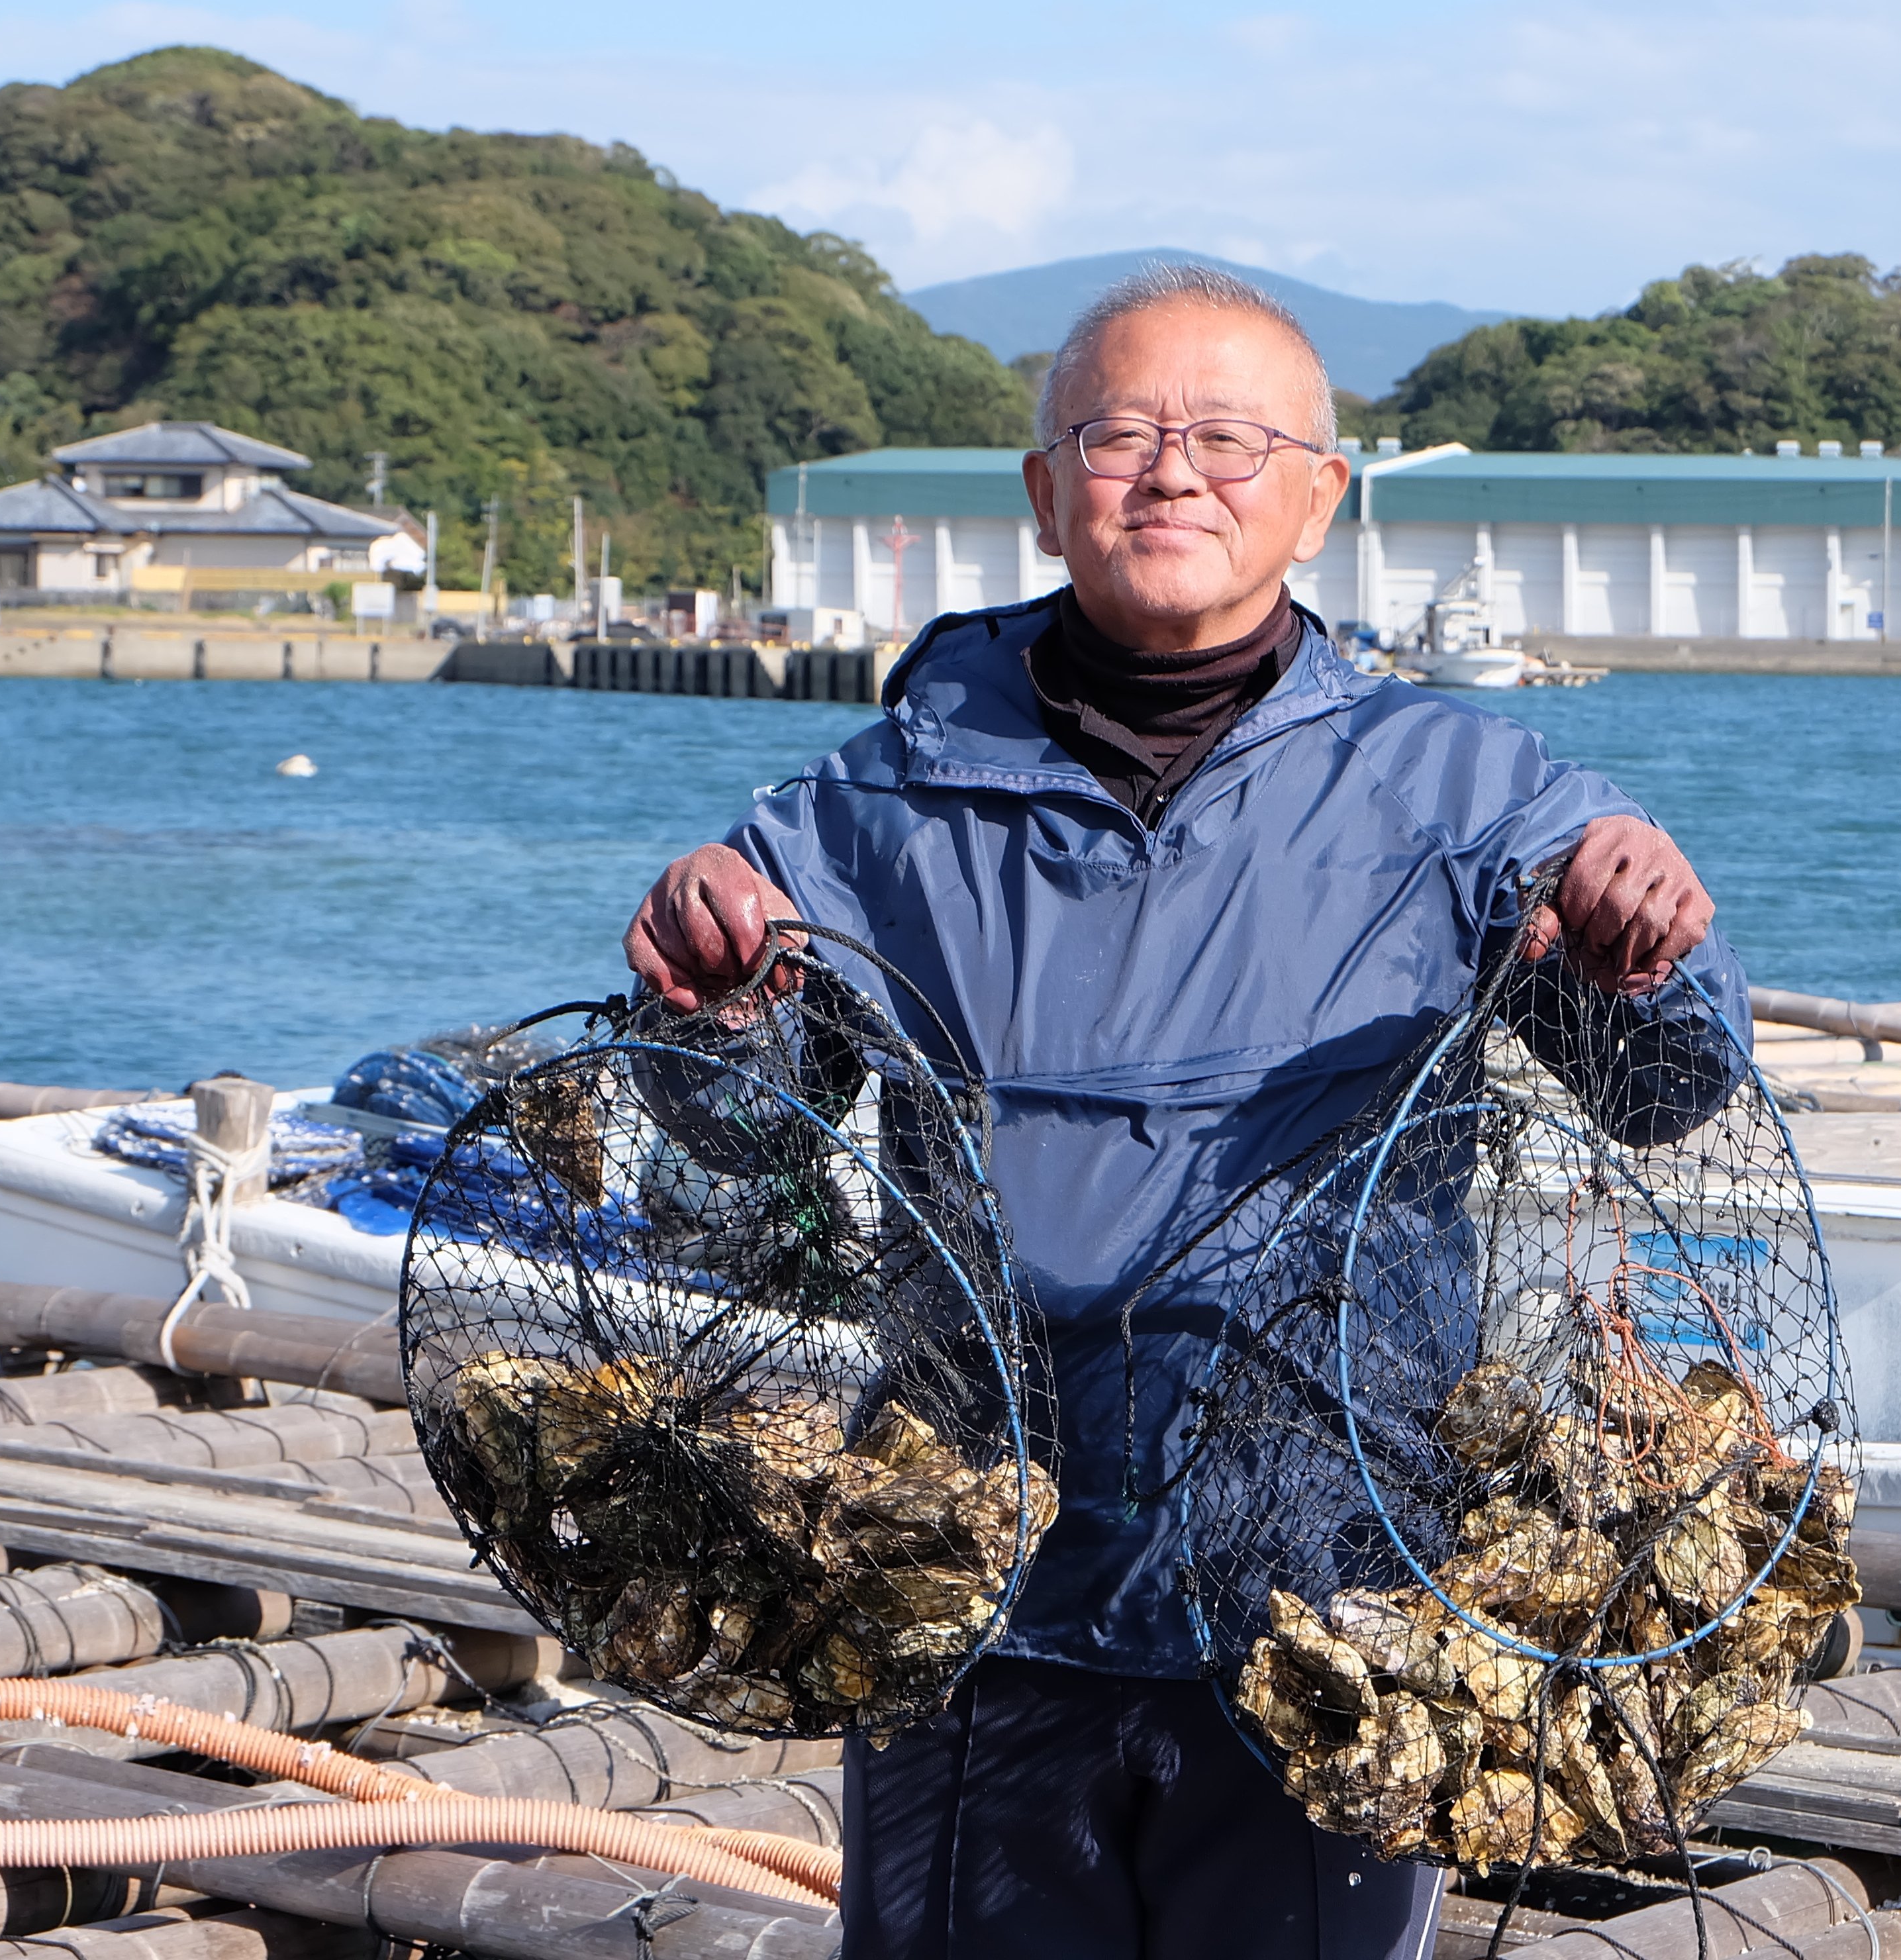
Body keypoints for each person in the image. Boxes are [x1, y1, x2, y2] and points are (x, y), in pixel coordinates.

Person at [625, 264, 1745, 1960]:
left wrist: (1637, 952)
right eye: (1121, 435)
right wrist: (709, 1001)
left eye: (1228, 438)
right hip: (972, 1582)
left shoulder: (1471, 795)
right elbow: (734, 1133)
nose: (1172, 474)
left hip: (1332, 1596)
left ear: (1319, 495)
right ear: (1043, 489)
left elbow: (1667, 1095)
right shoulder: (863, 808)